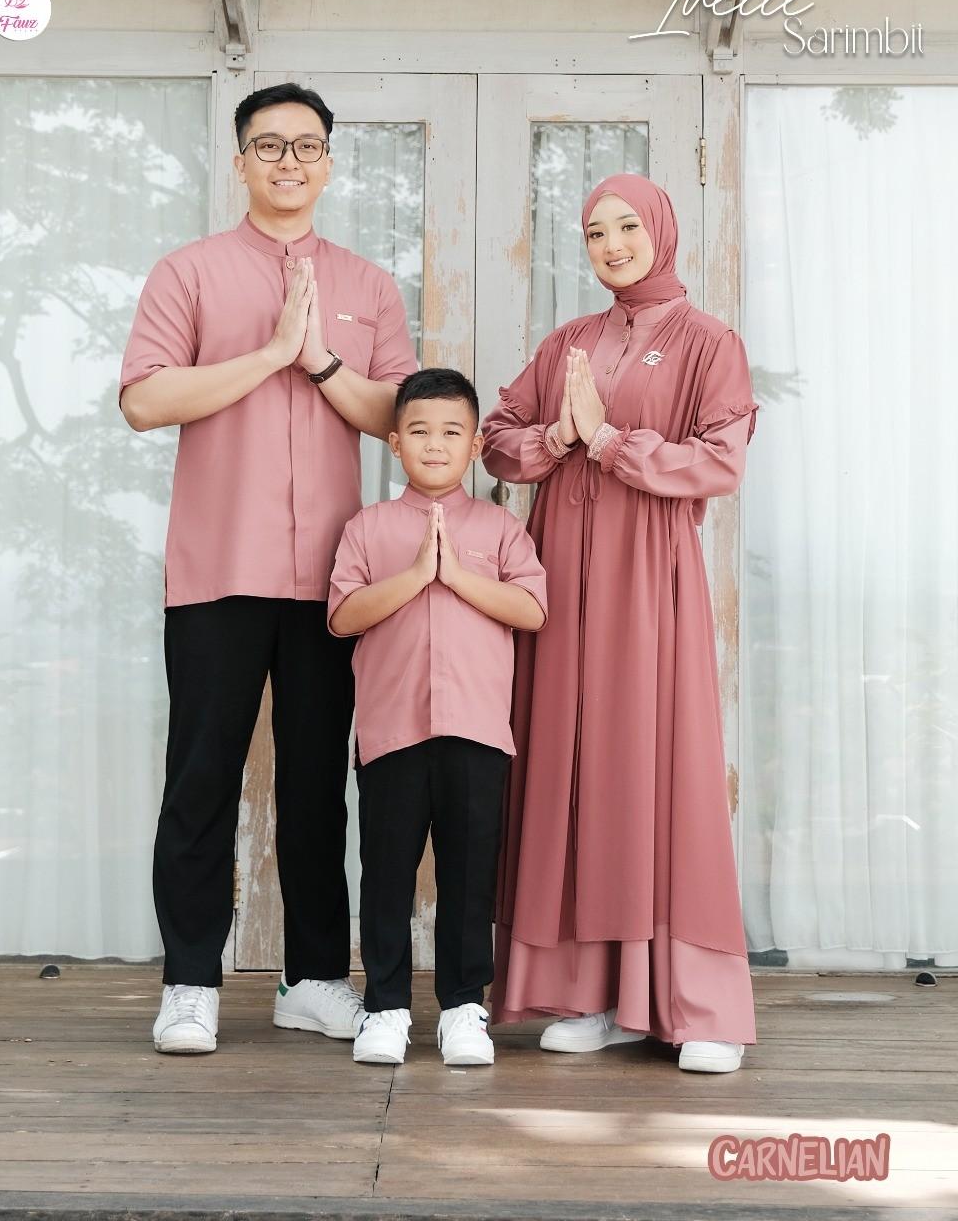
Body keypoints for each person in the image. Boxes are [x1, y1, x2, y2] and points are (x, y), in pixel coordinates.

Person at [119, 84, 418, 1055]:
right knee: (201, 778)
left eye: (307, 145)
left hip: (334, 579)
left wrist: (320, 361)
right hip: (217, 570)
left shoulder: (369, 285)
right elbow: (144, 399)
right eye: (271, 145)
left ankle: (313, 978)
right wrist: (273, 352)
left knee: (318, 784)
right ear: (241, 161)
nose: (290, 161)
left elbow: (397, 417)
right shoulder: (190, 272)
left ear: (329, 162)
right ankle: (190, 982)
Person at [480, 173, 759, 1075]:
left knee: (657, 766)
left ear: (662, 230)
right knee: (573, 766)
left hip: (649, 577)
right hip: (560, 576)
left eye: (628, 226)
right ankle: (592, 994)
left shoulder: (710, 342)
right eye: (596, 232)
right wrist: (559, 438)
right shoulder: (567, 341)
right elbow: (497, 440)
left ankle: (694, 1004)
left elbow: (719, 463)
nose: (612, 245)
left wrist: (605, 441)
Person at [327, 369, 548, 1067]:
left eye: (452, 432)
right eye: (419, 431)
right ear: (394, 443)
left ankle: (463, 1008)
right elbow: (342, 616)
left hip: (477, 733)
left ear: (476, 445)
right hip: (391, 733)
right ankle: (386, 1007)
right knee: (386, 874)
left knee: (469, 875)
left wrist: (456, 575)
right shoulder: (367, 528)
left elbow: (532, 610)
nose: (435, 445)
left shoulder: (500, 529)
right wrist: (416, 575)